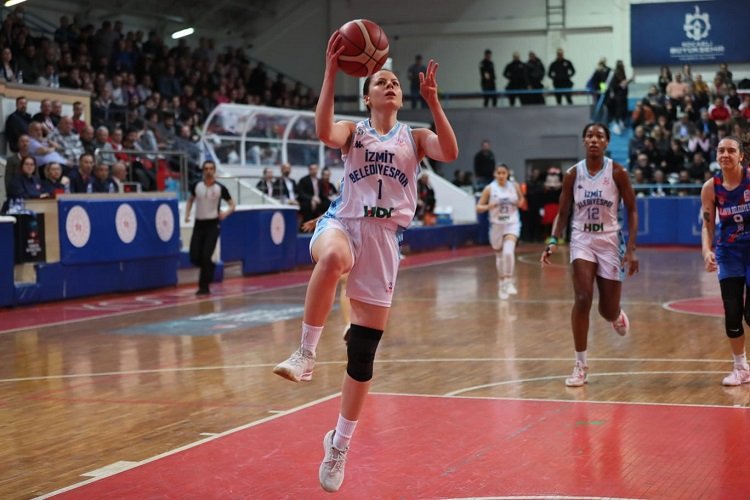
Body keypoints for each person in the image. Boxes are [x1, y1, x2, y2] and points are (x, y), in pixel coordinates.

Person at [273, 30, 458, 493]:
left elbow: (450, 152)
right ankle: (306, 352)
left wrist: (434, 102)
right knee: (332, 256)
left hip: (384, 241)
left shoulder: (414, 136)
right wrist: (331, 71)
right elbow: (322, 130)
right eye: (382, 82)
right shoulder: (353, 132)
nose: (391, 85)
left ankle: (339, 443)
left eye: (395, 82)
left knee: (362, 355)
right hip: (344, 223)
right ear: (368, 93)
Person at [541, 123, 638, 387]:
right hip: (582, 238)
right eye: (590, 136)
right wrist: (553, 239)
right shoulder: (573, 174)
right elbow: (562, 212)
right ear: (584, 141)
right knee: (582, 297)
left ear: (606, 143)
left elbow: (631, 210)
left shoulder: (618, 172)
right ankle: (580, 364)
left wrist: (631, 248)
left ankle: (615, 314)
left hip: (609, 240)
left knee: (606, 309)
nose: (594, 140)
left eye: (599, 136)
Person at [700, 136, 750, 386]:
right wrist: (706, 251)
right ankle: (741, 368)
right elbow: (707, 226)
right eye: (721, 150)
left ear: (741, 156)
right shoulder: (711, 187)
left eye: (731, 150)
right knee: (732, 312)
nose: (725, 154)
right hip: (729, 253)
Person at [184, 160, 236, 296]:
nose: (208, 171)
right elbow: (190, 200)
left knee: (206, 255)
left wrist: (225, 213)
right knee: (194, 256)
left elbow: (232, 204)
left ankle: (204, 287)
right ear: (203, 171)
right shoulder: (196, 185)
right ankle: (210, 267)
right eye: (206, 168)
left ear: (214, 170)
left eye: (211, 168)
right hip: (198, 224)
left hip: (212, 225)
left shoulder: (220, 188)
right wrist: (187, 214)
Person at [476, 163, 527, 299]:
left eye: (504, 173)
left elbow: (522, 201)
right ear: (495, 174)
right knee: (499, 256)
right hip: (496, 225)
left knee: (508, 253)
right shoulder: (489, 189)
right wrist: (489, 206)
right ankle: (502, 281)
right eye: (499, 173)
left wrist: (519, 203)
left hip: (512, 223)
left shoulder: (514, 186)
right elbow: (478, 207)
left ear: (507, 174)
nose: (501, 175)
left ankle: (508, 281)